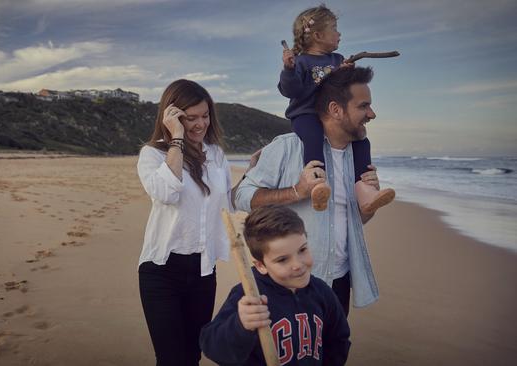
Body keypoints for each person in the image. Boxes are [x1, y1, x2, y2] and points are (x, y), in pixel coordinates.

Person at [236, 66, 385, 316]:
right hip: (289, 282)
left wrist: (368, 206)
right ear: (336, 110)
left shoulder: (358, 158)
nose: (372, 113)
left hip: (338, 281)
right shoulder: (287, 148)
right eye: (363, 106)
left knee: (332, 353)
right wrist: (298, 190)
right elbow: (240, 196)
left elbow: (354, 222)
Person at [137, 79, 255, 366]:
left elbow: (228, 201)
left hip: (203, 271)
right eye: (190, 118)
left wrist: (253, 173)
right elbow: (167, 191)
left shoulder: (215, 155)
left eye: (205, 115)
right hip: (161, 272)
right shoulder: (153, 155)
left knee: (192, 355)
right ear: (172, 116)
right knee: (171, 359)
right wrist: (176, 137)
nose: (200, 124)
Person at [200, 205, 350, 365]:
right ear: (260, 265)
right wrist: (240, 325)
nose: (298, 265)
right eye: (283, 259)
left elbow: (338, 339)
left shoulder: (321, 291)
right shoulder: (249, 296)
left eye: (302, 250)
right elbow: (212, 346)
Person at [279, 4, 394, 213]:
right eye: (335, 28)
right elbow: (291, 90)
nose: (339, 34)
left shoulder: (338, 59)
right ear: (318, 35)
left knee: (362, 141)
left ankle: (365, 191)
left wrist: (346, 73)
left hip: (331, 115)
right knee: (313, 138)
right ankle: (317, 185)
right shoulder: (301, 62)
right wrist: (288, 69)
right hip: (306, 114)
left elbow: (345, 92)